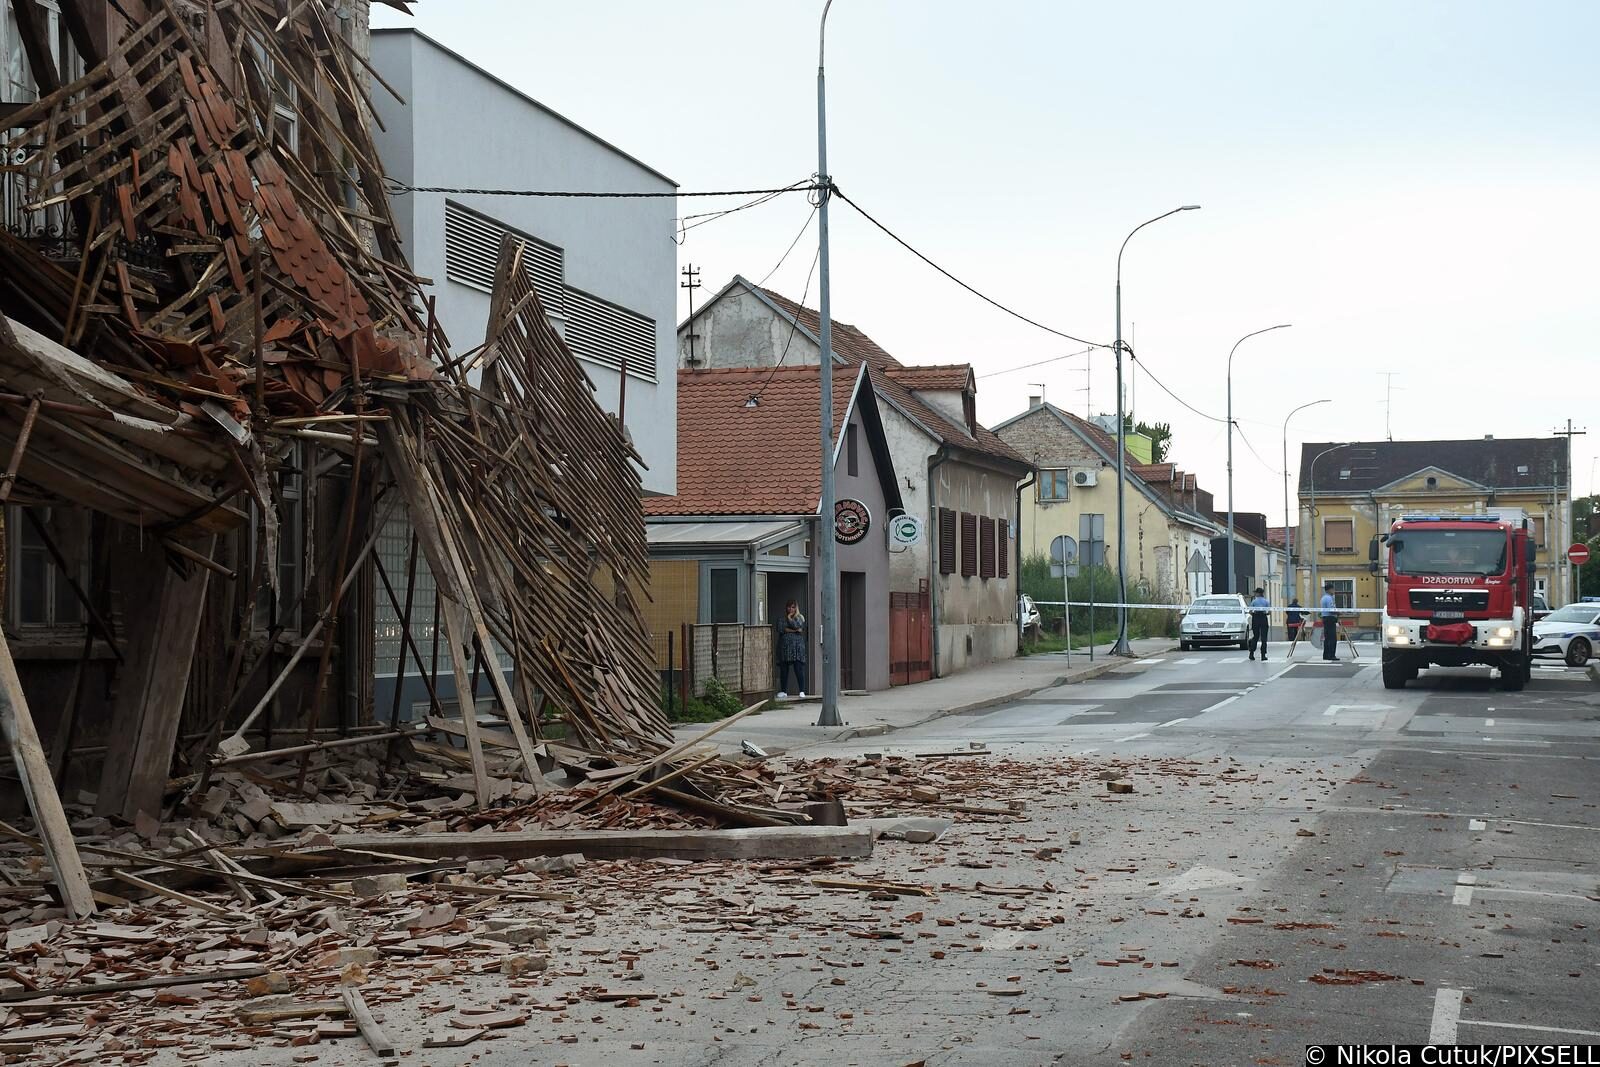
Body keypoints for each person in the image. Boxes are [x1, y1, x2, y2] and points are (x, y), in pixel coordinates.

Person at [776, 600, 807, 699]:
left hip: (797, 647)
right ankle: (784, 691)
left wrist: (790, 620)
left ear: (796, 608)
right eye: (789, 607)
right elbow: (781, 629)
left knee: (798, 669)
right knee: (784, 670)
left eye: (793, 607)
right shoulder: (781, 619)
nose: (791, 609)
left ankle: (802, 691)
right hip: (785, 648)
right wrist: (795, 630)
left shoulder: (800, 618)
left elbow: (798, 626)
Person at [1247, 587, 1271, 661]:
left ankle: (1251, 653)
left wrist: (1254, 614)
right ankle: (1263, 655)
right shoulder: (1266, 601)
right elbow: (1269, 612)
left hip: (1256, 618)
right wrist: (1265, 613)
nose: (1255, 594)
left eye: (1255, 593)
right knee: (1264, 638)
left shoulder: (1254, 601)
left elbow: (1250, 611)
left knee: (1255, 637)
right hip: (1263, 618)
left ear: (1258, 593)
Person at [1320, 582, 1339, 661]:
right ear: (1330, 589)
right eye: (1333, 589)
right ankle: (1331, 655)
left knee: (1327, 638)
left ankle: (1326, 655)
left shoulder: (1323, 598)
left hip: (1325, 618)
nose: (1334, 591)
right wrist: (1338, 612)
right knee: (1332, 638)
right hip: (1330, 619)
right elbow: (1331, 609)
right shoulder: (1329, 598)